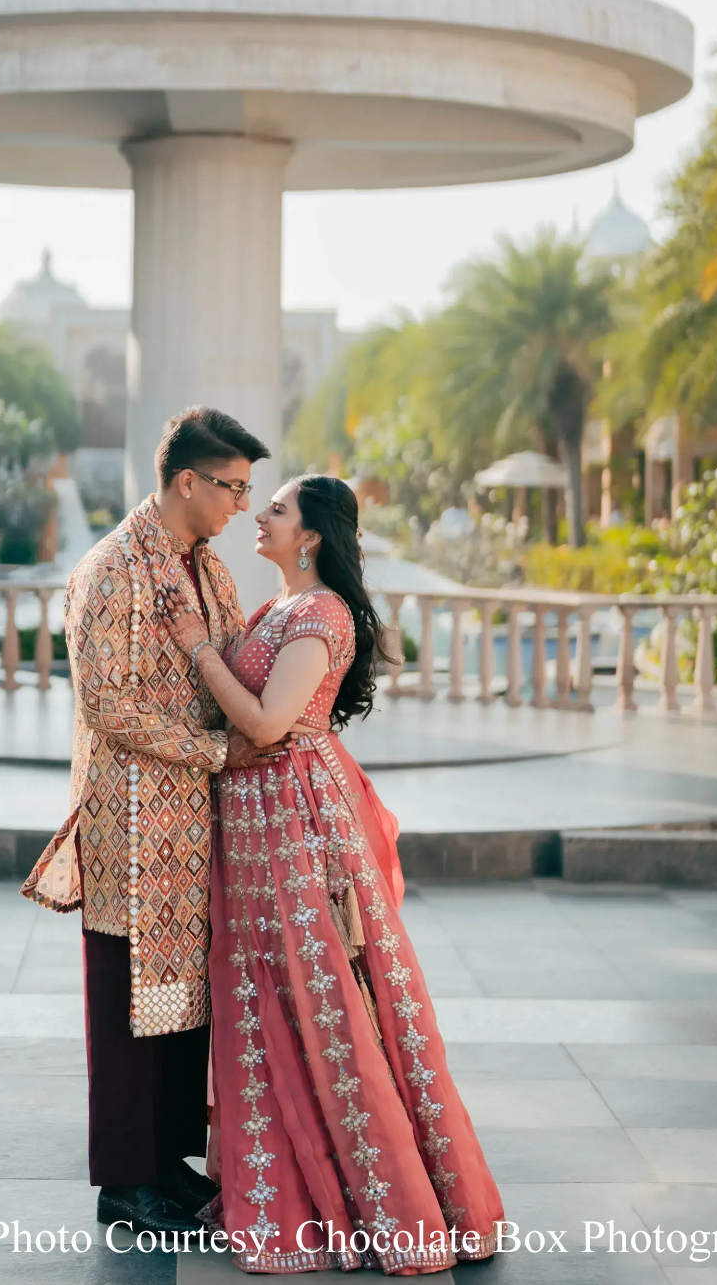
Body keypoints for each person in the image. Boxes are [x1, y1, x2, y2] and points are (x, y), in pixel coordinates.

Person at [167, 474, 505, 1273]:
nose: (260, 515)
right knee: (267, 994)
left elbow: (267, 723)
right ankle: (291, 1180)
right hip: (256, 824)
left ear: (311, 535)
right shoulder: (278, 610)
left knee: (319, 994)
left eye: (276, 509)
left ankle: (378, 1200)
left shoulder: (319, 615)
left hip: (295, 824)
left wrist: (197, 650)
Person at [21, 405, 273, 1238]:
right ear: (186, 480)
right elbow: (107, 704)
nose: (242, 504)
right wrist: (215, 751)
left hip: (194, 823)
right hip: (128, 821)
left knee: (183, 996)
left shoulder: (211, 570)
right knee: (126, 997)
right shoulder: (111, 568)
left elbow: (231, 663)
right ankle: (124, 1181)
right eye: (232, 487)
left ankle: (169, 1163)